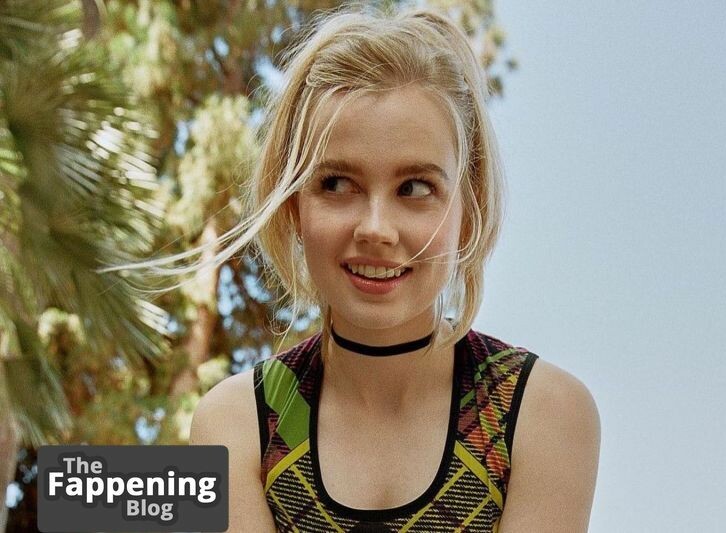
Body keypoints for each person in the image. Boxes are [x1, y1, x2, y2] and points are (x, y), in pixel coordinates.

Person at [187, 5, 601, 532]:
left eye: (415, 188)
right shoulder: (237, 424)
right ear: (293, 206)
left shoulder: (542, 415)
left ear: (468, 209)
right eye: (337, 184)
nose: (376, 229)